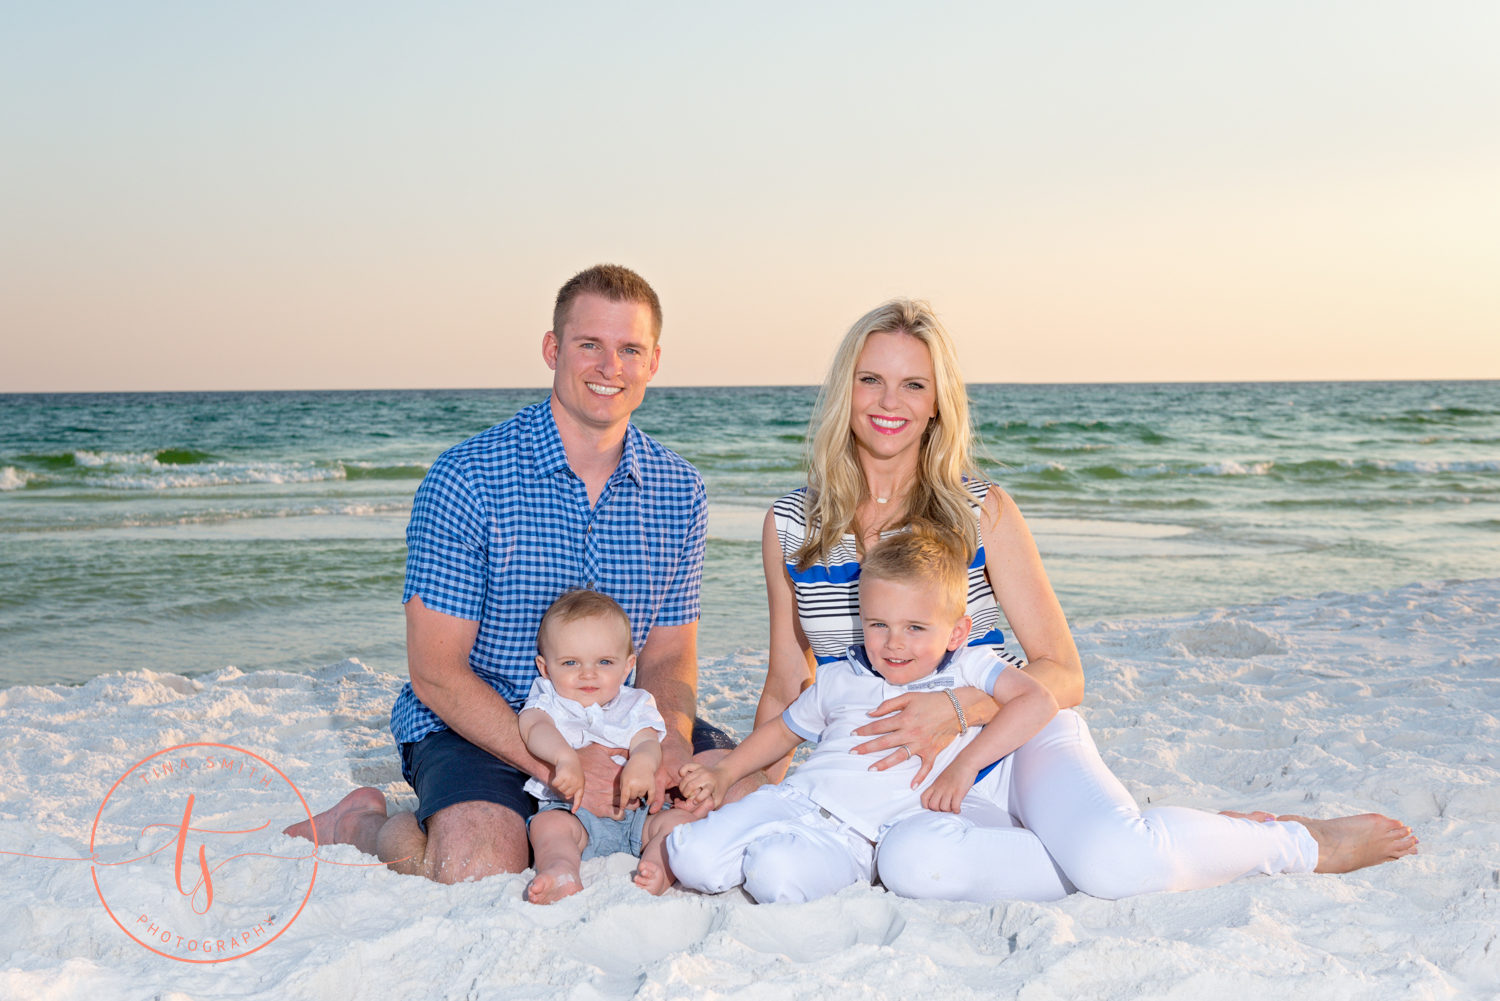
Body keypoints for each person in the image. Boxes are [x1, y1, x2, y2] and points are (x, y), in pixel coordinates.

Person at [754, 298, 1419, 902]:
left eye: (913, 383)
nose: (888, 400)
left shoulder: (980, 511)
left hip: (1015, 740)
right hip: (913, 787)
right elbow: (789, 682)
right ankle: (1182, 843)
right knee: (913, 863)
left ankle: (1296, 842)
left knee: (1118, 863)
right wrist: (738, 793)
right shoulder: (792, 526)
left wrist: (953, 708)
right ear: (846, 388)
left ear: (937, 403)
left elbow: (1062, 670)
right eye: (871, 378)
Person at [285, 264, 750, 883]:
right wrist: (561, 765)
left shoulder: (678, 488)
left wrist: (665, 749)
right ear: (553, 350)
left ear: (654, 362)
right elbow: (437, 674)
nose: (610, 366)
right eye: (590, 345)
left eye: (630, 349)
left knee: (744, 815)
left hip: (616, 715)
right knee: (477, 865)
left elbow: (668, 652)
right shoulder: (467, 478)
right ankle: (362, 825)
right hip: (484, 719)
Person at [656, 530, 1058, 904]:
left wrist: (966, 766)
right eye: (878, 624)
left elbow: (1037, 700)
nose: (894, 642)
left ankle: (779, 852)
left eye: (915, 627)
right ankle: (750, 841)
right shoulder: (842, 675)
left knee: (775, 875)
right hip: (797, 800)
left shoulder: (969, 666)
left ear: (956, 632)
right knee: (693, 859)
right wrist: (724, 773)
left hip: (859, 840)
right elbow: (783, 732)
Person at [520, 589, 701, 903]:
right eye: (570, 662)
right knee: (549, 828)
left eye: (604, 661)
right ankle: (561, 869)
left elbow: (647, 740)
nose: (588, 673)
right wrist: (564, 757)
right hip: (574, 813)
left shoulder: (635, 702)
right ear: (546, 667)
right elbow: (533, 726)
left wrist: (643, 763)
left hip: (636, 814)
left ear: (628, 665)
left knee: (678, 823)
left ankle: (659, 866)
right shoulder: (549, 698)